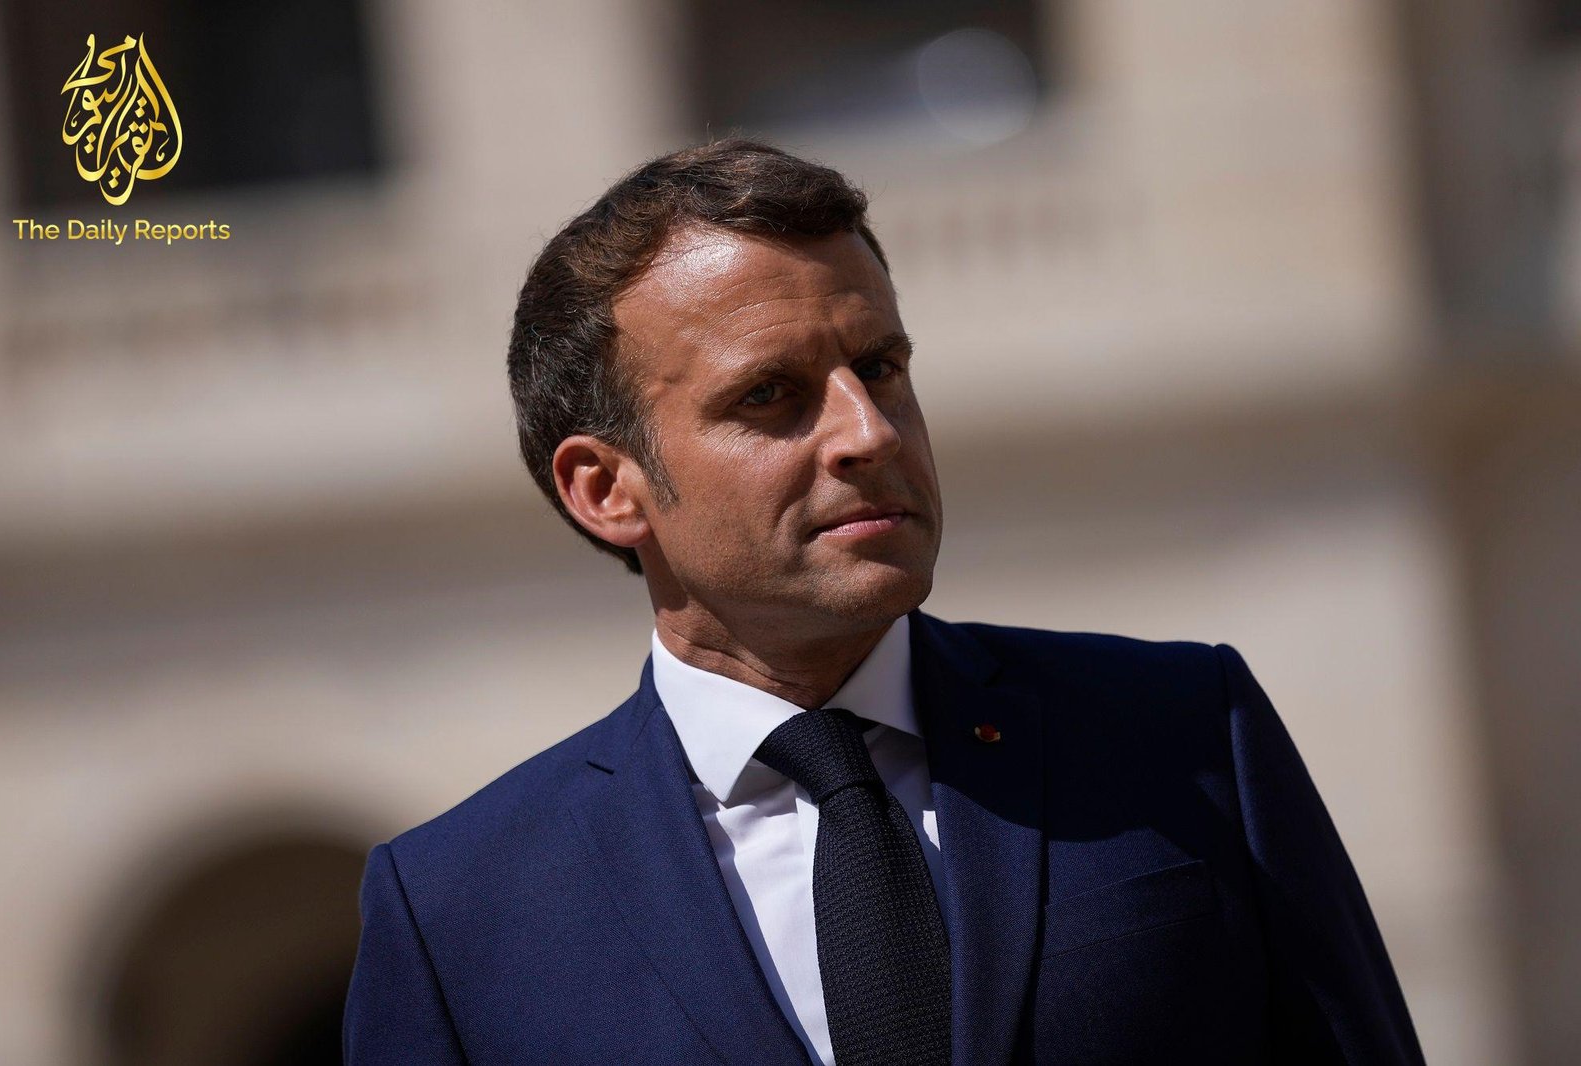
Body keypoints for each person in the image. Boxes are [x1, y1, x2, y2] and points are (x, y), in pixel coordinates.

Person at [342, 140, 1426, 1065]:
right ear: (606, 489)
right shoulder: (459, 909)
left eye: (881, 366)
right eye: (770, 395)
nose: (868, 431)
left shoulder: (1184, 734)